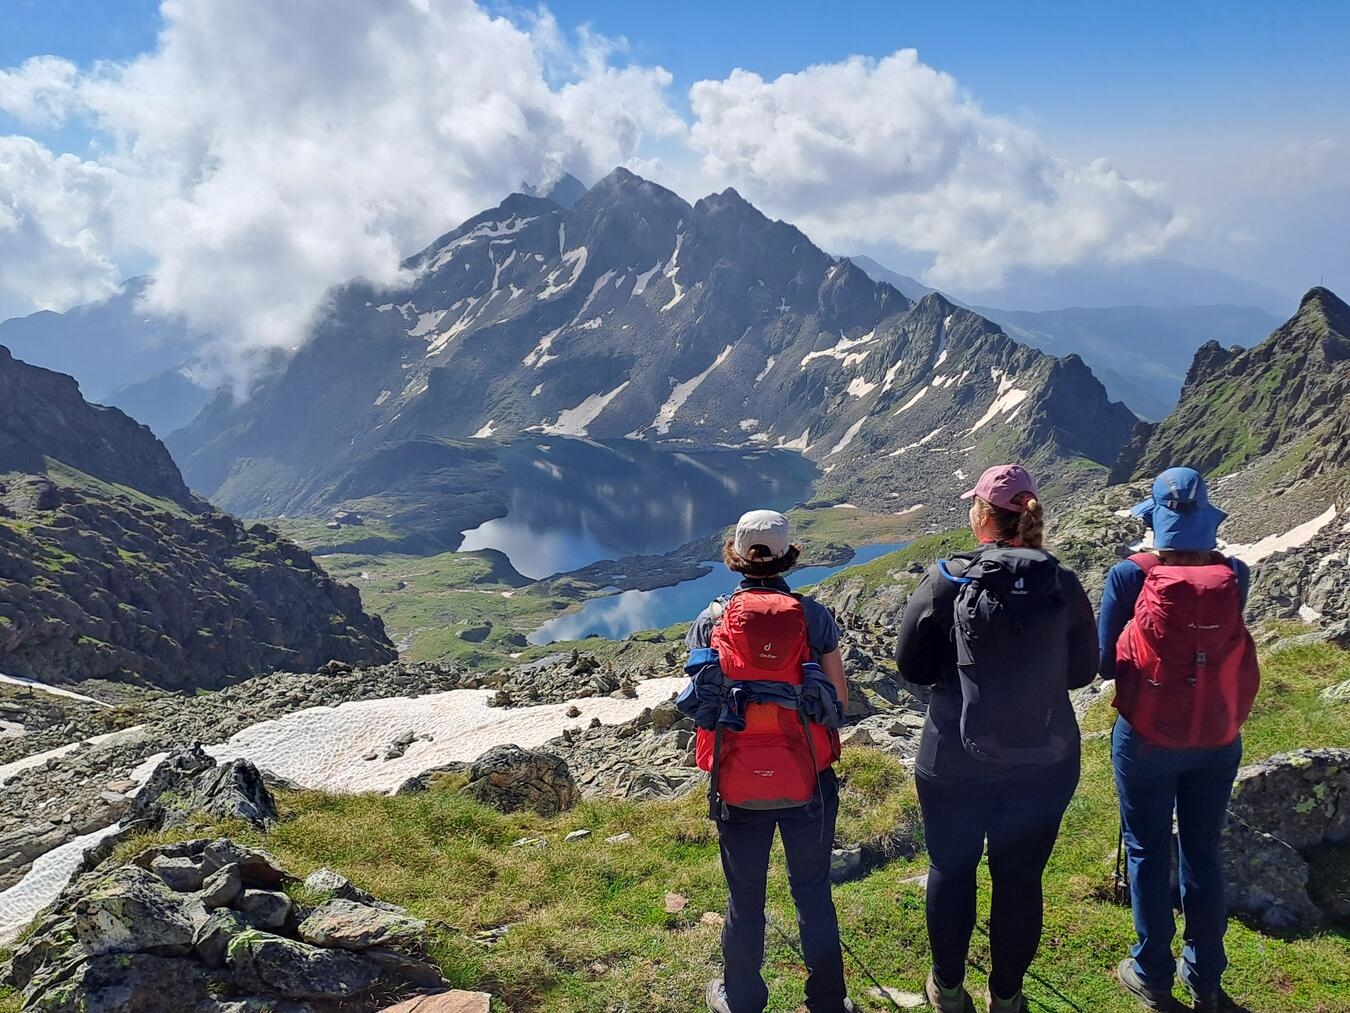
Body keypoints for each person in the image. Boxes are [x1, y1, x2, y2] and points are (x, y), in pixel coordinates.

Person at [895, 464, 1098, 1013]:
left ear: (983, 516)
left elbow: (910, 665)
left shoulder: (948, 579)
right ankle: (1006, 997)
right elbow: (1084, 671)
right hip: (1046, 758)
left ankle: (949, 988)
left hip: (954, 756)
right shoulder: (1062, 582)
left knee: (952, 869)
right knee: (1019, 879)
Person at [680, 509, 853, 1013]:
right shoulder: (813, 616)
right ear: (787, 554)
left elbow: (701, 704)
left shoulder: (710, 619)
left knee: (746, 896)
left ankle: (743, 997)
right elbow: (836, 702)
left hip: (736, 782)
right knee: (813, 890)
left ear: (735, 555)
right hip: (808, 779)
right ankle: (826, 1001)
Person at [1102, 467, 1257, 1013]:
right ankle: (1207, 977)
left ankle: (1151, 970)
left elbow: (1105, 664)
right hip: (1218, 736)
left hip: (1145, 737)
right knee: (1203, 850)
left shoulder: (1128, 575)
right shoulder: (1236, 573)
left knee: (1146, 849)